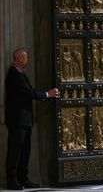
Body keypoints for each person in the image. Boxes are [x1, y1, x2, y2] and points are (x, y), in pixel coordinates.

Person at [5, 47, 60, 190]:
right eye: (27, 57)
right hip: (17, 119)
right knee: (15, 150)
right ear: (19, 58)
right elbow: (29, 92)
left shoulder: (20, 73)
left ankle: (23, 178)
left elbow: (28, 93)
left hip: (24, 119)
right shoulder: (14, 74)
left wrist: (46, 96)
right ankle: (12, 180)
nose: (28, 59)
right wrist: (47, 94)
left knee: (25, 151)